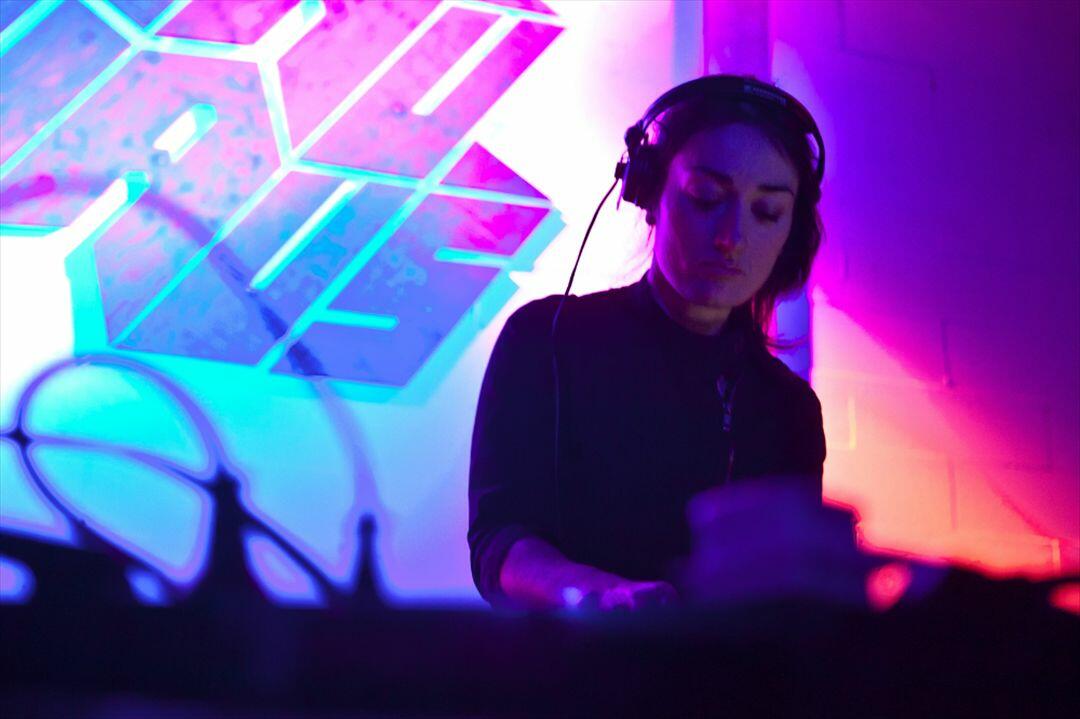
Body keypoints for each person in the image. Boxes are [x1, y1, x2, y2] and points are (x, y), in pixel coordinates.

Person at [468, 75, 828, 611]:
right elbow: (499, 541)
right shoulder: (546, 339)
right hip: (568, 661)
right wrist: (597, 594)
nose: (732, 238)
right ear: (649, 192)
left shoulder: (789, 409)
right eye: (706, 199)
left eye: (766, 213)